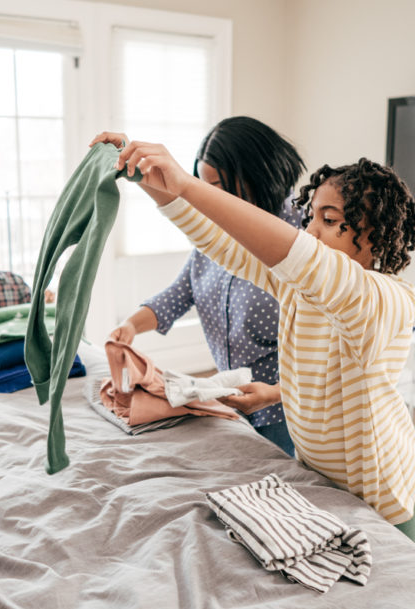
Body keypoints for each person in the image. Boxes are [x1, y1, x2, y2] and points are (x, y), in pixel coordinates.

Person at [94, 133, 415, 542]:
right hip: (324, 481)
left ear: (373, 233)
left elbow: (307, 261)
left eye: (330, 219)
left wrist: (186, 183)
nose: (312, 230)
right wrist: (147, 178)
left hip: (383, 498)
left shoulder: (385, 298)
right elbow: (220, 244)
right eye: (311, 218)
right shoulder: (297, 288)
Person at [106, 117, 305, 457]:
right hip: (233, 403)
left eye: (219, 186)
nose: (208, 198)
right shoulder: (216, 235)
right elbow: (180, 293)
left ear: (256, 176)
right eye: (202, 183)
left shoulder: (302, 238)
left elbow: (327, 355)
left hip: (286, 414)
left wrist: (276, 393)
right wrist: (131, 326)